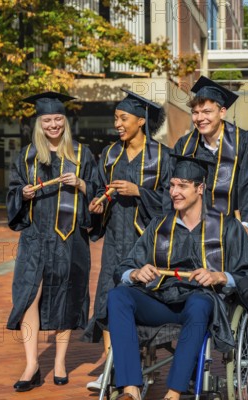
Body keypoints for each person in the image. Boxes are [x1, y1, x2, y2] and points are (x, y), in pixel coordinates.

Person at [107, 154, 248, 400]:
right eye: (172, 185)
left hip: (201, 304)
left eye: (182, 186)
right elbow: (124, 267)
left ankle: (173, 393)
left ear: (200, 188)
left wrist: (220, 277)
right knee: (118, 296)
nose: (174, 192)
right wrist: (136, 273)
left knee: (200, 302)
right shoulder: (160, 227)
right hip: (161, 301)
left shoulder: (227, 228)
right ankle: (130, 389)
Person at [6, 92, 97, 392]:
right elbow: (12, 191)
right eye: (47, 120)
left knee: (67, 296)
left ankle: (60, 361)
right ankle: (32, 363)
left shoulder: (82, 155)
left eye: (58, 119)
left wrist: (81, 184)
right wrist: (23, 194)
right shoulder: (27, 156)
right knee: (29, 295)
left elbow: (98, 194)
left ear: (65, 122)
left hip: (70, 240)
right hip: (34, 239)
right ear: (39, 123)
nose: (53, 124)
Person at [83, 89, 170, 390]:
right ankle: (113, 368)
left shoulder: (161, 157)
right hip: (115, 239)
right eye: (116, 119)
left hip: (147, 242)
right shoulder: (109, 155)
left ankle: (142, 362)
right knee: (108, 299)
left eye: (123, 118)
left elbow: (173, 201)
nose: (117, 124)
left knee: (140, 301)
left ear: (141, 121)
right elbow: (98, 188)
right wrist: (96, 204)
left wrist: (140, 192)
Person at [172, 76, 248, 236]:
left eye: (207, 112)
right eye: (195, 113)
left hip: (233, 230)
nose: (200, 118)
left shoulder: (243, 141)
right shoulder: (184, 146)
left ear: (222, 112)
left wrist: (244, 226)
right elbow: (172, 187)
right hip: (192, 231)